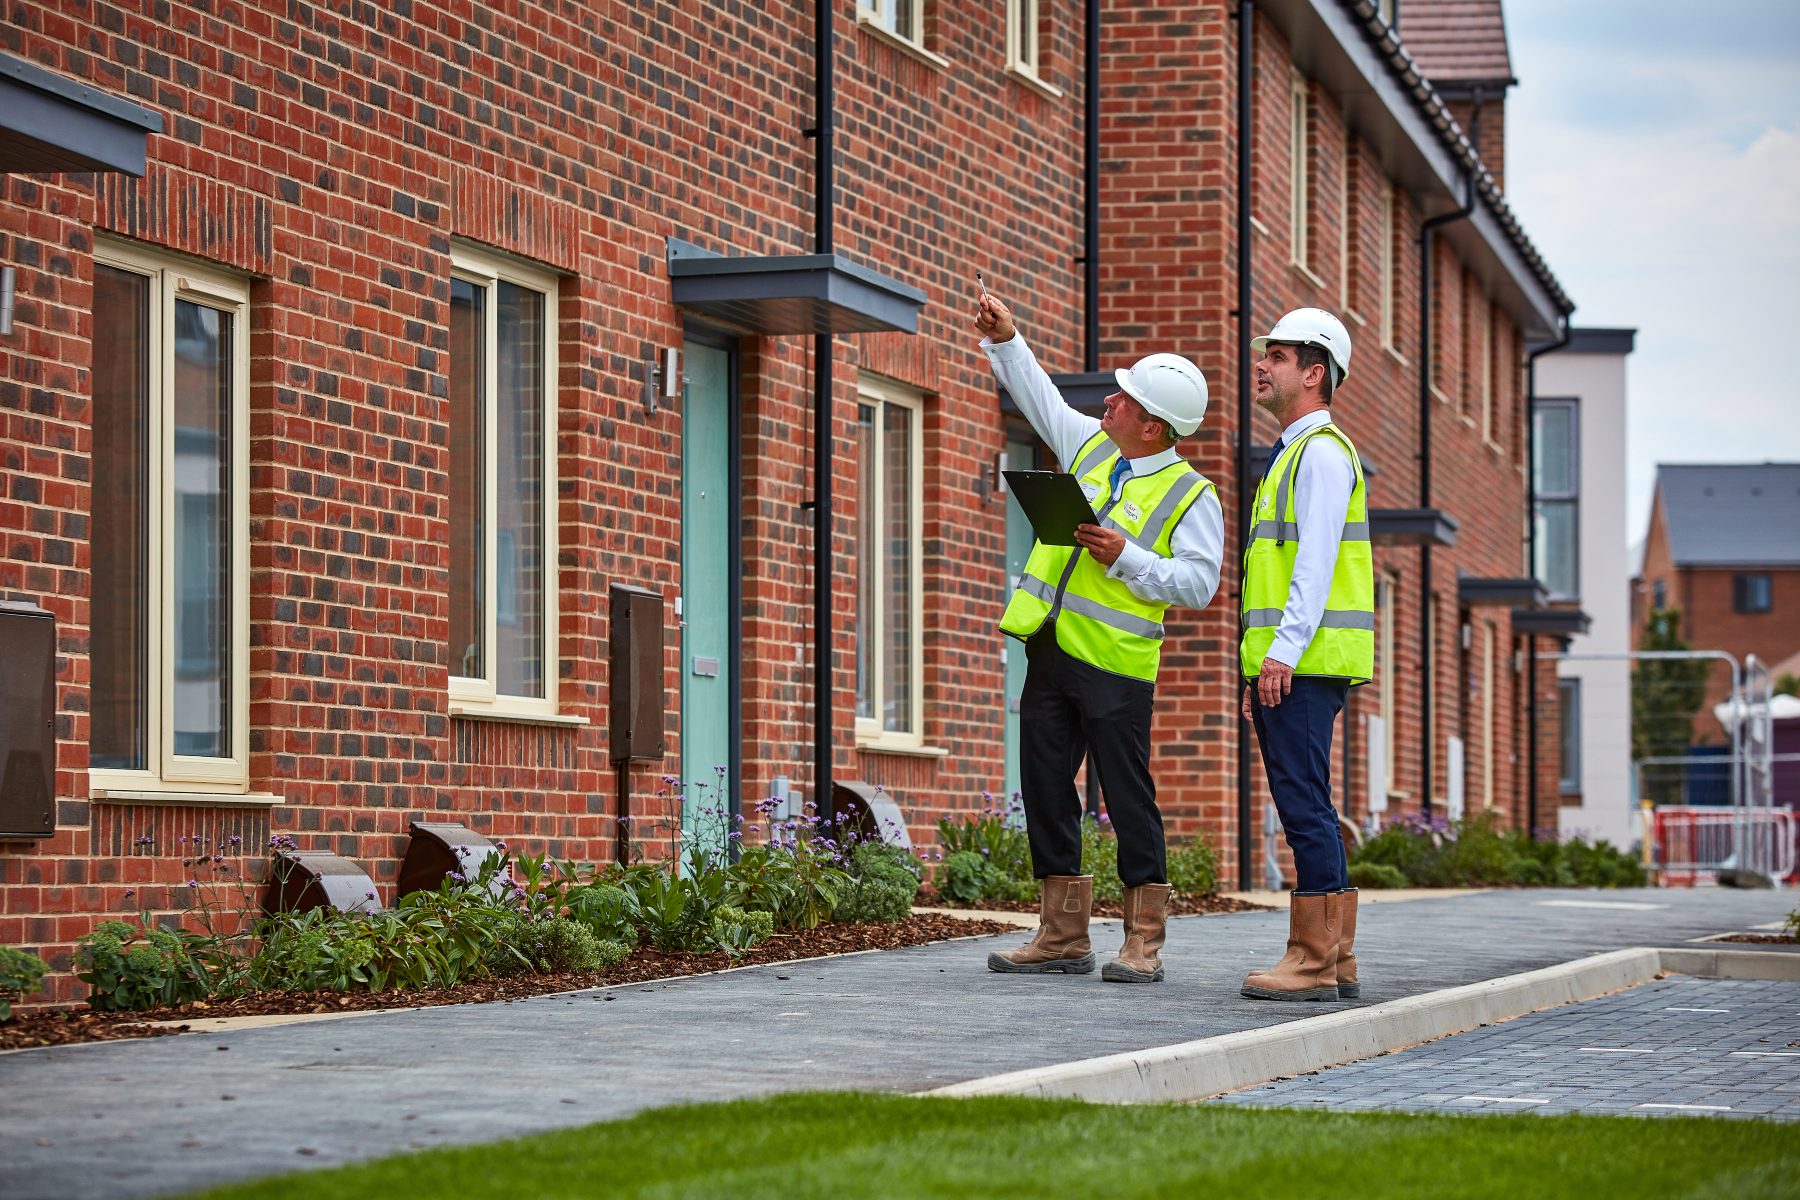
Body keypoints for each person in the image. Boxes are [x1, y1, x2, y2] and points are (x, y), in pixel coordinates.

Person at [976, 292, 1223, 985]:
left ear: (1153, 426)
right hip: (1049, 651)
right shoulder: (1090, 444)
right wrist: (1008, 339)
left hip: (1116, 668)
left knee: (1127, 797)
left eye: (1124, 399)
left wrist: (1128, 558)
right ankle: (1061, 936)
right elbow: (1042, 399)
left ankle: (1142, 942)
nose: (1109, 402)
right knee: (1046, 787)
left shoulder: (1190, 494)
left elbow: (1199, 585)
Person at [1238, 307, 1373, 1002]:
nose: (1261, 363)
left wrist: (1281, 653)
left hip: (1304, 662)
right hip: (1297, 661)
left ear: (1314, 372)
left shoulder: (1318, 453)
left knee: (1303, 806)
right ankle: (1334, 959)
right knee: (1307, 801)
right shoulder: (1296, 454)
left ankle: (1314, 960)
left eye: (1279, 355)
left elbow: (1314, 564)